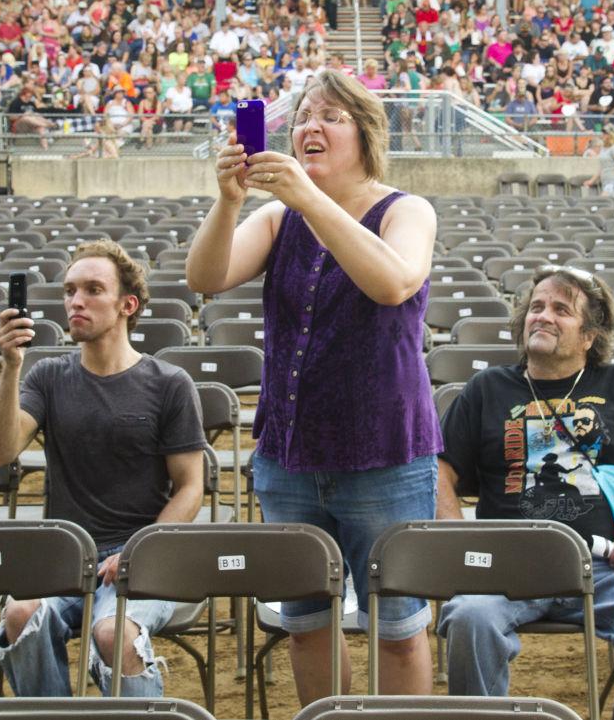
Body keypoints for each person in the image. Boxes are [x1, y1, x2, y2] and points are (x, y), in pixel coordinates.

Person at [186, 69, 439, 704]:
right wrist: (228, 201)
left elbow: (392, 283)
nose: (309, 127)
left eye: (329, 115)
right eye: (302, 116)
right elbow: (205, 276)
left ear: (366, 132)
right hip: (288, 457)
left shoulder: (406, 209)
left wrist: (309, 199)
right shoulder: (278, 217)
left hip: (384, 459)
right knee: (307, 627)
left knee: (398, 631)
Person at [436, 266, 614, 720]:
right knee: (468, 618)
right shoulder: (486, 388)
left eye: (561, 310)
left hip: (604, 565)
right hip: (508, 565)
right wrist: (459, 539)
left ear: (590, 336)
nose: (543, 317)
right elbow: (442, 471)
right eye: (536, 307)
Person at [0, 240, 206, 697]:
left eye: (92, 289)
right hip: (64, 551)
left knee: (113, 633)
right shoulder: (48, 376)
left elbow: (189, 488)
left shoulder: (169, 385)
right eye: (69, 291)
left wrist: (139, 550)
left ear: (128, 304)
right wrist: (10, 367)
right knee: (20, 614)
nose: (75, 301)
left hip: (144, 553)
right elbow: (0, 452)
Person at [583, 125, 614, 197]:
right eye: (603, 133)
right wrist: (591, 181)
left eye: (606, 133)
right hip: (605, 181)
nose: (603, 135)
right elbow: (602, 167)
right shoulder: (604, 149)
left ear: (611, 135)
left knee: (604, 200)